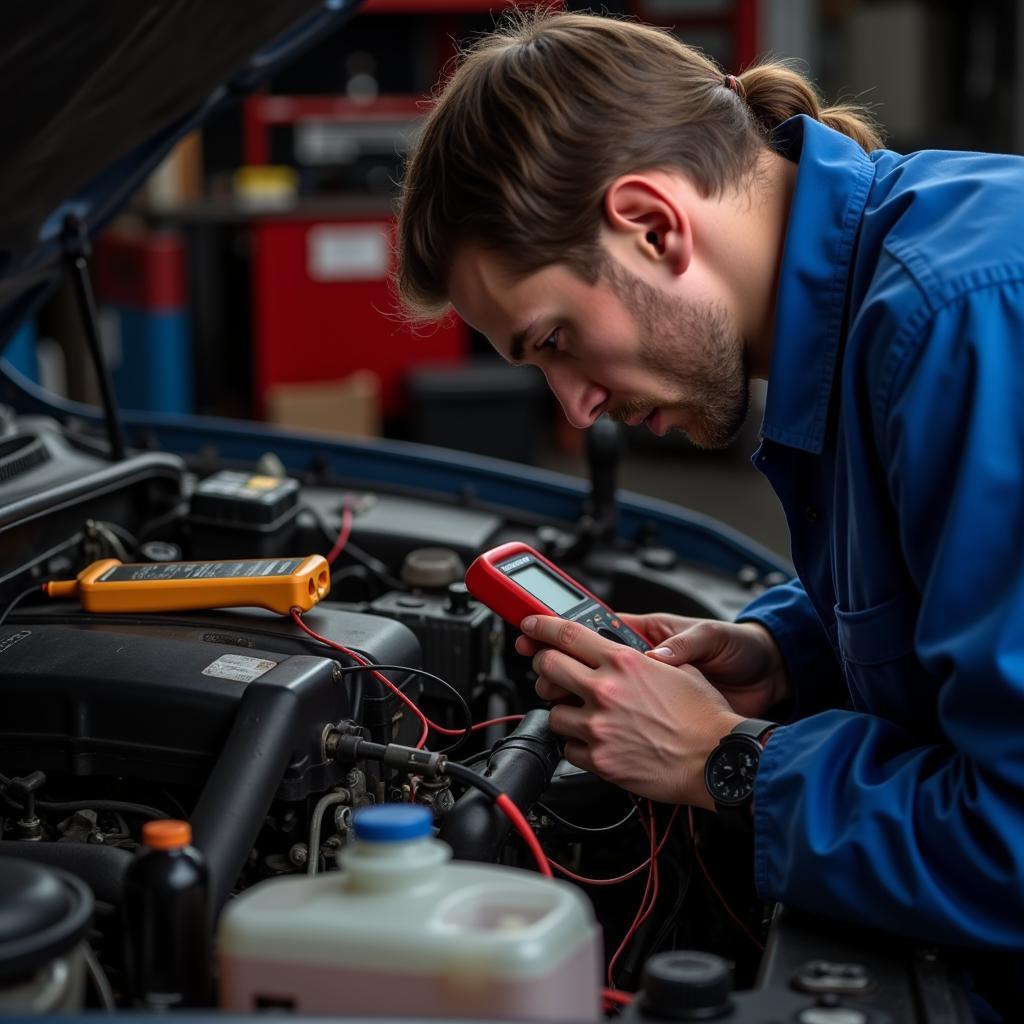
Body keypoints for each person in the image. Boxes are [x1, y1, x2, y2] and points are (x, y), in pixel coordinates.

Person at [394, 9, 1024, 1018]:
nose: (577, 406)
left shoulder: (962, 326)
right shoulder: (889, 294)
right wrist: (782, 649)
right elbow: (948, 584)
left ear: (652, 224)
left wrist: (729, 762)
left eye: (553, 339)